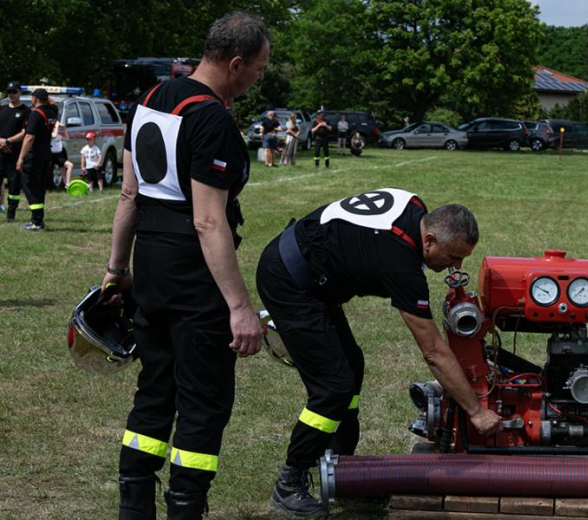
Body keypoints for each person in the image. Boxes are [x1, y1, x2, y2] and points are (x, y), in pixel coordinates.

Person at [101, 12, 269, 519]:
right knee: (203, 401)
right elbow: (208, 222)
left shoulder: (151, 98)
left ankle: (135, 506)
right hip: (193, 273)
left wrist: (117, 269)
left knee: (155, 388)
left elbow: (129, 194)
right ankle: (185, 509)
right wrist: (239, 307)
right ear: (234, 63)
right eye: (258, 69)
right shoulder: (211, 118)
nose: (259, 78)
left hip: (150, 265)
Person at [256, 188, 502, 518]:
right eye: (452, 257)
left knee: (351, 368)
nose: (453, 267)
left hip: (311, 272)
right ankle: (289, 482)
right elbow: (432, 351)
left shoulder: (415, 207)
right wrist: (476, 412)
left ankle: (343, 472)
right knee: (332, 387)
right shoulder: (399, 261)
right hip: (290, 281)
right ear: (428, 239)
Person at [15, 88, 57, 231]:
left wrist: (20, 158)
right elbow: (53, 103)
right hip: (46, 154)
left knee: (30, 186)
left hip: (34, 156)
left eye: (32, 97)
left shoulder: (35, 115)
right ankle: (36, 220)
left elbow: (29, 137)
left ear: (35, 99)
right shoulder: (53, 111)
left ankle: (37, 222)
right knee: (39, 187)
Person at [1, 81, 31, 220]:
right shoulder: (2, 109)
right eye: (9, 92)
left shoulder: (25, 111)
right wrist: (1, 142)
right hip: (0, 150)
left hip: (15, 152)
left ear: (20, 93)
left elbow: (25, 132)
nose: (11, 95)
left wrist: (8, 141)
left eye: (14, 92)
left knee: (13, 184)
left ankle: (11, 213)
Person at [50, 120, 74, 189]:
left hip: (59, 154)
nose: (57, 129)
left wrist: (64, 129)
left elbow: (67, 138)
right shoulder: (50, 134)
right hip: (51, 154)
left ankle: (67, 184)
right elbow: (54, 136)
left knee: (68, 166)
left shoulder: (59, 136)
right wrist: (56, 126)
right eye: (54, 128)